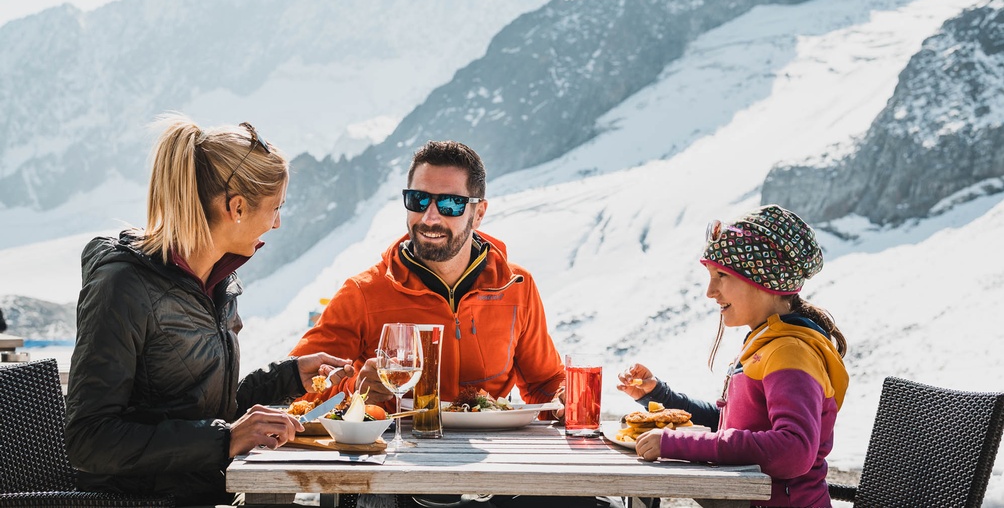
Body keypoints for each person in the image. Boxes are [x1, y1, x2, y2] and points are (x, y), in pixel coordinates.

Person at [291, 141, 606, 507]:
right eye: (418, 200)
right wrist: (355, 391)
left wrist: (565, 396)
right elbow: (298, 390)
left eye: (451, 204)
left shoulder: (516, 286)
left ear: (479, 211)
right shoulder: (364, 293)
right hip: (396, 472)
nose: (430, 217)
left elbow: (543, 381)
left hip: (496, 469)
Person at [65, 115, 354, 506]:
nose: (277, 223)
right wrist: (227, 439)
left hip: (205, 491)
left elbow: (202, 407)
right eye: (275, 208)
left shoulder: (217, 284)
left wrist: (287, 378)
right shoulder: (123, 287)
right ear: (236, 207)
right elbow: (90, 440)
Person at [618, 205, 849, 508]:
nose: (710, 292)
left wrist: (676, 443)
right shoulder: (766, 343)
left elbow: (794, 450)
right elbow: (732, 430)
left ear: (763, 281)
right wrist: (659, 396)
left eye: (721, 276)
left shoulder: (790, 352)